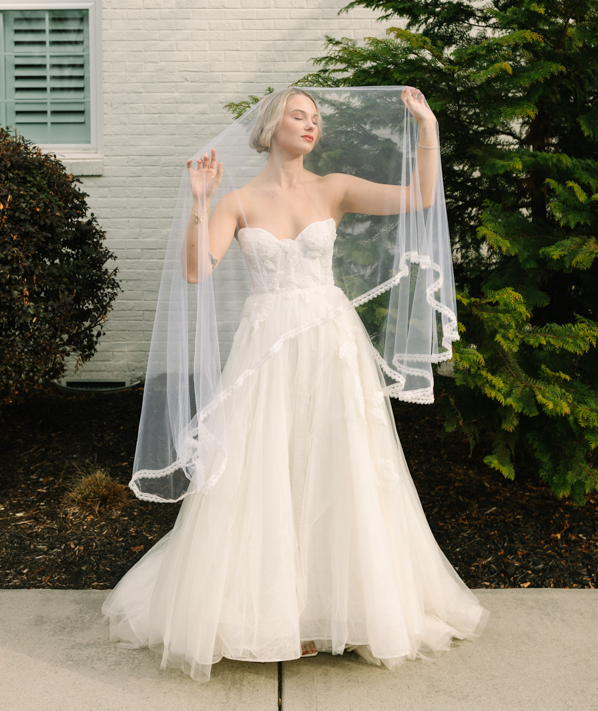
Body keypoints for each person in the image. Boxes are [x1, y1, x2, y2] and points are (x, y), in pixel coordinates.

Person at [102, 86, 489, 682]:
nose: (311, 125)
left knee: (340, 466)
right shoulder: (236, 200)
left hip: (331, 343)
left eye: (316, 118)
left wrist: (428, 126)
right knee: (264, 471)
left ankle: (347, 608)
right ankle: (273, 614)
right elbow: (195, 270)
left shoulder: (331, 188)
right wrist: (200, 202)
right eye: (299, 115)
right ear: (270, 125)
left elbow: (421, 196)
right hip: (265, 350)